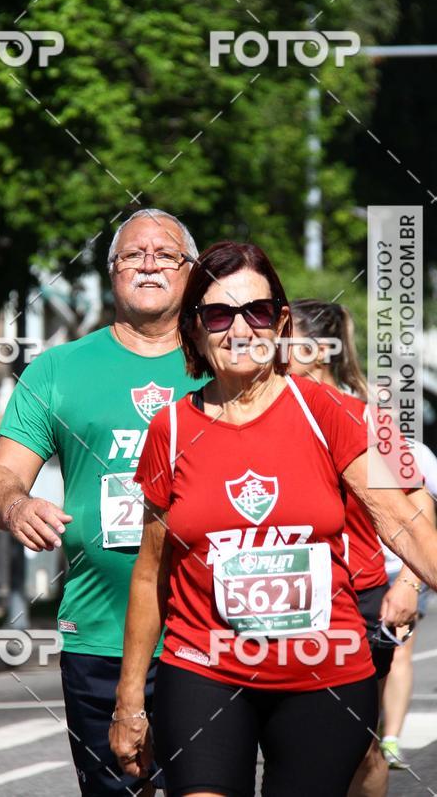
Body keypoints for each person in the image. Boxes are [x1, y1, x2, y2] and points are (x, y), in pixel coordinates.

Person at [110, 241, 437, 797]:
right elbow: (149, 574)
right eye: (218, 314)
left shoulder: (340, 413)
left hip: (324, 673)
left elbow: (409, 521)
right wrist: (130, 701)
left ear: (280, 322)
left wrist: (410, 581)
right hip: (203, 667)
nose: (240, 330)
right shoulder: (168, 430)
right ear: (193, 329)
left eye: (256, 312)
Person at [0, 208, 203, 796]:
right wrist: (15, 506)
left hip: (205, 632)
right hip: (98, 635)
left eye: (165, 254)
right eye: (133, 254)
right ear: (111, 272)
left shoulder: (220, 365)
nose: (149, 264)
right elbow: (1, 474)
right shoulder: (58, 369)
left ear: (192, 271)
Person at [288, 298, 432, 797]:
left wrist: (410, 583)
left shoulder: (371, 418)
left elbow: (419, 508)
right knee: (291, 743)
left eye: (287, 335)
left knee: (361, 744)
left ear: (318, 350)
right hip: (289, 602)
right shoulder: (260, 413)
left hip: (361, 597)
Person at [379, 441, 437, 770]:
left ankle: (390, 738)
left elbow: (427, 503)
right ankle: (370, 734)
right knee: (364, 657)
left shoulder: (411, 451)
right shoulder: (351, 438)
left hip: (402, 568)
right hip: (357, 568)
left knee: (399, 649)